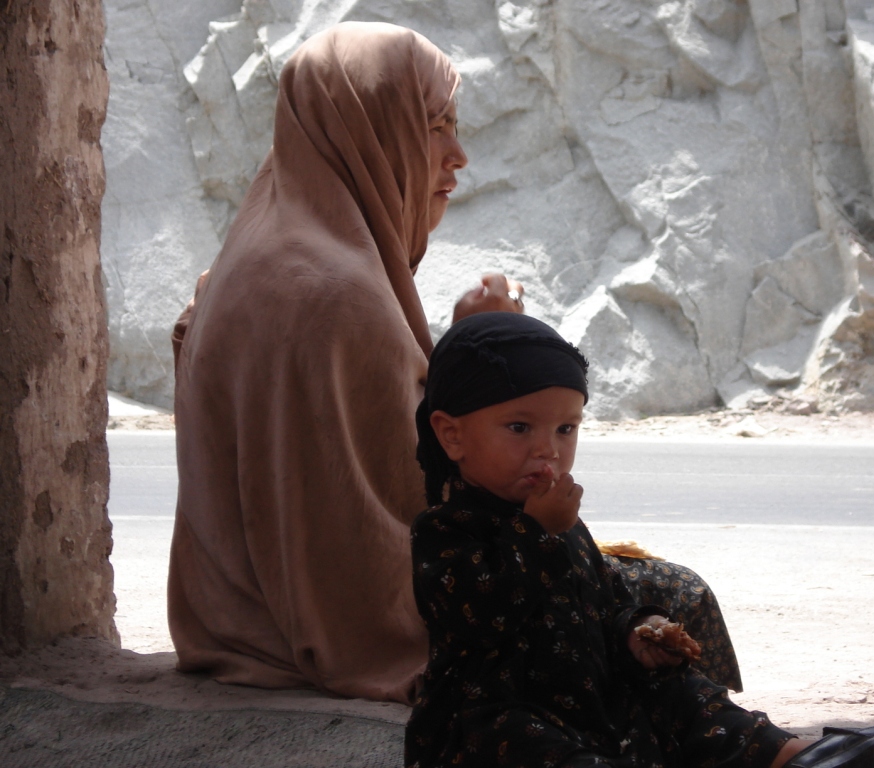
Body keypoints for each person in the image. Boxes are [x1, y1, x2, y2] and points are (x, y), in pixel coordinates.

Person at [168, 21, 736, 704]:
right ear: (368, 131)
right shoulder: (338, 299)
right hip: (338, 627)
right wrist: (493, 358)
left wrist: (461, 347)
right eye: (432, 126)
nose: (457, 155)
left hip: (233, 618)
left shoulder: (260, 254)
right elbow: (433, 513)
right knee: (671, 599)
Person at [406, 311, 874, 768]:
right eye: (519, 427)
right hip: (504, 711)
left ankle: (795, 755)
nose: (549, 450)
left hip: (591, 699)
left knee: (687, 698)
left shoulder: (564, 522)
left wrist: (639, 629)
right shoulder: (446, 531)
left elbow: (603, 599)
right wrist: (537, 532)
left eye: (566, 429)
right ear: (452, 435)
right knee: (519, 741)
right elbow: (481, 618)